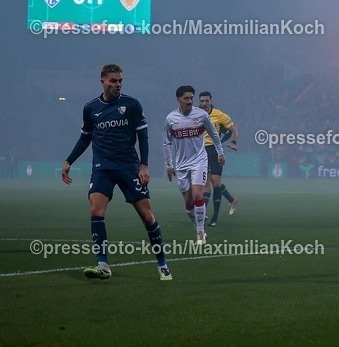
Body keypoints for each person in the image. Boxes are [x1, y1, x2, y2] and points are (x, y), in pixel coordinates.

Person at [61, 64, 172, 281]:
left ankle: (163, 264)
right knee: (96, 209)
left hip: (128, 167)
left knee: (147, 216)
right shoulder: (90, 108)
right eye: (113, 81)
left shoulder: (131, 105)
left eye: (120, 80)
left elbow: (143, 137)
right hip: (102, 168)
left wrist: (144, 165)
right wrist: (69, 160)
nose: (118, 84)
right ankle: (103, 265)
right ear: (102, 82)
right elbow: (85, 137)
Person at [164, 85, 225, 244]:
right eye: (186, 98)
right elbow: (166, 143)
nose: (190, 101)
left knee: (198, 195)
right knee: (188, 203)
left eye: (192, 98)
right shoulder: (171, 119)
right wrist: (169, 165)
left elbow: (214, 134)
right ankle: (198, 227)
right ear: (179, 99)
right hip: (181, 164)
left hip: (199, 161)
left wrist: (220, 153)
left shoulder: (202, 115)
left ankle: (200, 232)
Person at [198, 92, 239, 227]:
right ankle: (205, 213)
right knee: (205, 185)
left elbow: (233, 131)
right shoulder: (196, 114)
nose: (204, 104)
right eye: (202, 101)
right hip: (200, 152)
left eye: (206, 101)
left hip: (214, 151)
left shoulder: (219, 114)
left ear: (211, 101)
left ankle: (214, 217)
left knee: (216, 183)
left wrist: (233, 143)